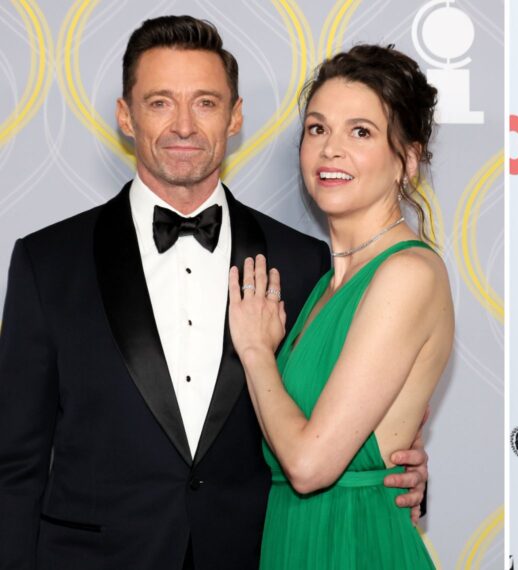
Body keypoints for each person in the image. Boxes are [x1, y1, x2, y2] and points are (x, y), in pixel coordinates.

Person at [0, 16, 427, 570]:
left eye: (204, 102)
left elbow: (338, 420)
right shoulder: (48, 262)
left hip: (255, 554)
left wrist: (396, 473)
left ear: (235, 117)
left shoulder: (304, 263)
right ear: (125, 116)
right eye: (159, 103)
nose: (183, 125)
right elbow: (14, 463)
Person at [227, 44, 453, 569]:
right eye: (317, 129)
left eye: (361, 132)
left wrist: (257, 351)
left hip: (355, 546)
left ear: (408, 161)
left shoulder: (407, 274)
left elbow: (309, 465)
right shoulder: (325, 282)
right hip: (294, 541)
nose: (331, 150)